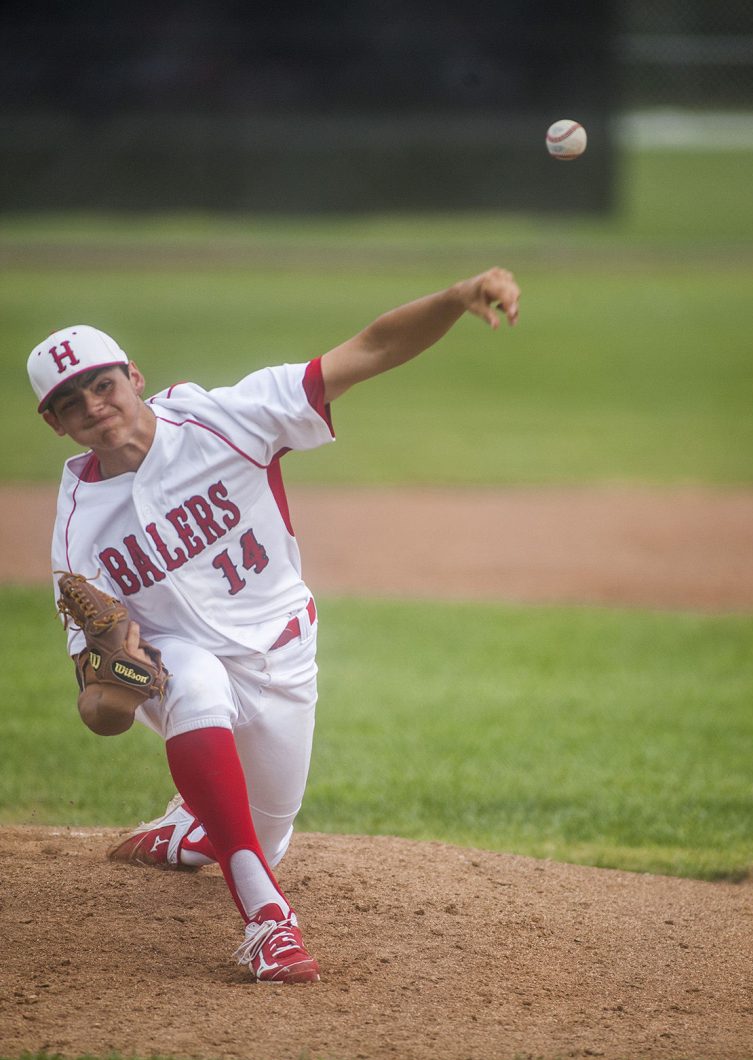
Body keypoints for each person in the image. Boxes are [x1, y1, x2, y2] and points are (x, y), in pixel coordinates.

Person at [28, 267, 521, 984]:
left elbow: (370, 349)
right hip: (182, 670)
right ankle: (268, 923)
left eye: (103, 385)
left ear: (134, 376)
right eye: (70, 402)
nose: (94, 407)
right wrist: (118, 691)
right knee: (192, 678)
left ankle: (191, 828)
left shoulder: (225, 419)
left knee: (266, 834)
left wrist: (453, 299)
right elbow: (98, 707)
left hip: (282, 655)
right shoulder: (77, 532)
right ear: (54, 422)